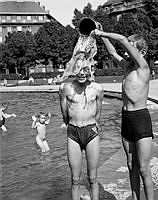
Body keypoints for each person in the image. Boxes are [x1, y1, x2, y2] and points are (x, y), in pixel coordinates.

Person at [92, 26, 154, 200]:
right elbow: (113, 53)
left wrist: (101, 34)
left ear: (142, 51)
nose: (127, 51)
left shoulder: (143, 67)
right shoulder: (127, 66)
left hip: (140, 119)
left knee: (143, 168)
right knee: (130, 165)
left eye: (132, 47)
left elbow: (122, 41)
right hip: (126, 119)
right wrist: (102, 34)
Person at [59, 57, 104, 200]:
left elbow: (98, 114)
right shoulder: (66, 89)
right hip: (73, 134)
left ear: (90, 70)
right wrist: (72, 124)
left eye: (85, 69)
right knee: (75, 179)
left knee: (93, 177)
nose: (82, 73)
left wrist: (92, 125)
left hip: (91, 132)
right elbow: (64, 114)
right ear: (74, 71)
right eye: (79, 70)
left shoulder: (97, 89)